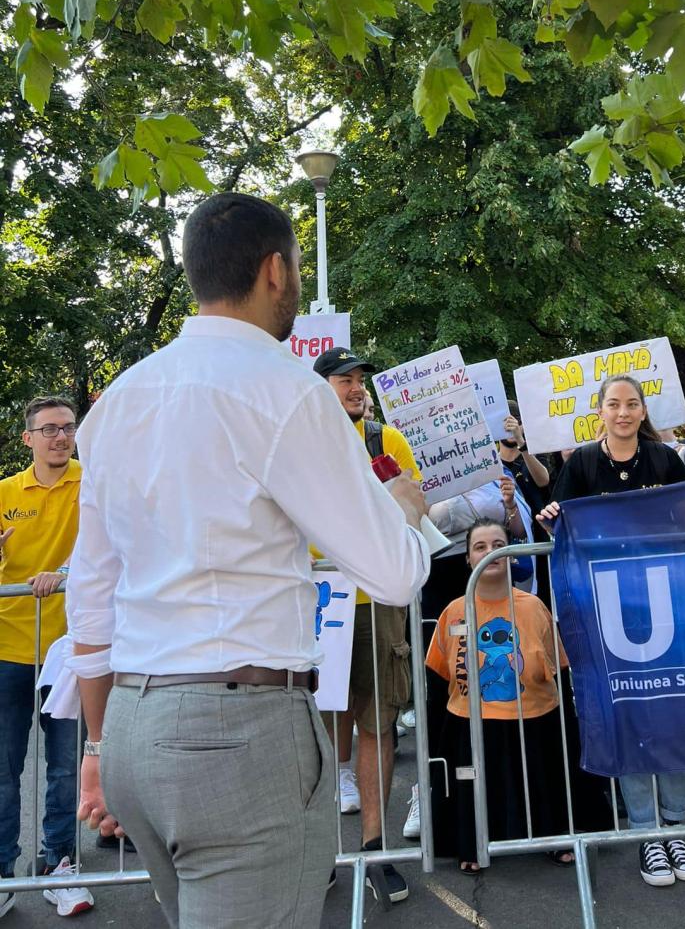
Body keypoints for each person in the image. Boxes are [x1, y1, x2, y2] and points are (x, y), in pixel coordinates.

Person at [66, 192, 430, 929]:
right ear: (275, 270)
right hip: (241, 733)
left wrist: (99, 744)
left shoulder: (119, 400)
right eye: (296, 266)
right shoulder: (288, 391)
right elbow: (393, 570)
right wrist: (408, 513)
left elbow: (91, 590)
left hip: (134, 722)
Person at [540, 374, 685, 889]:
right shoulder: (582, 465)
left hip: (670, 608)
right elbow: (560, 527)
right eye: (613, 404)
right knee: (631, 715)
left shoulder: (664, 461)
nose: (622, 412)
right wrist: (551, 518)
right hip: (609, 616)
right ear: (601, 413)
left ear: (643, 412)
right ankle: (645, 831)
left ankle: (675, 825)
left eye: (631, 404)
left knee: (675, 710)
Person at [312, 345, 423, 902]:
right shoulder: (299, 442)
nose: (356, 388)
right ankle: (324, 849)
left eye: (359, 380)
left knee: (378, 724)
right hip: (318, 605)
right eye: (343, 380)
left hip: (377, 602)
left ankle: (374, 847)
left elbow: (414, 508)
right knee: (324, 732)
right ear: (320, 389)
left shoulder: (384, 439)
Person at [426, 519, 597, 872]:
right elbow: (440, 673)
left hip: (533, 717)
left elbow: (557, 666)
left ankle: (551, 836)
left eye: (498, 544)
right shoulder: (453, 611)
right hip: (472, 721)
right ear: (468, 559)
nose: (492, 552)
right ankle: (471, 843)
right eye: (480, 546)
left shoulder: (534, 606)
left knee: (541, 778)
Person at [0, 396, 93, 919]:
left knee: (64, 769)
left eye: (68, 428)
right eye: (49, 429)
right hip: (7, 651)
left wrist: (64, 572)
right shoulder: (4, 493)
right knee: (3, 768)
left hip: (73, 650)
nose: (61, 437)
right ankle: (2, 872)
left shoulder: (96, 483)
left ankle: (60, 864)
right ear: (27, 438)